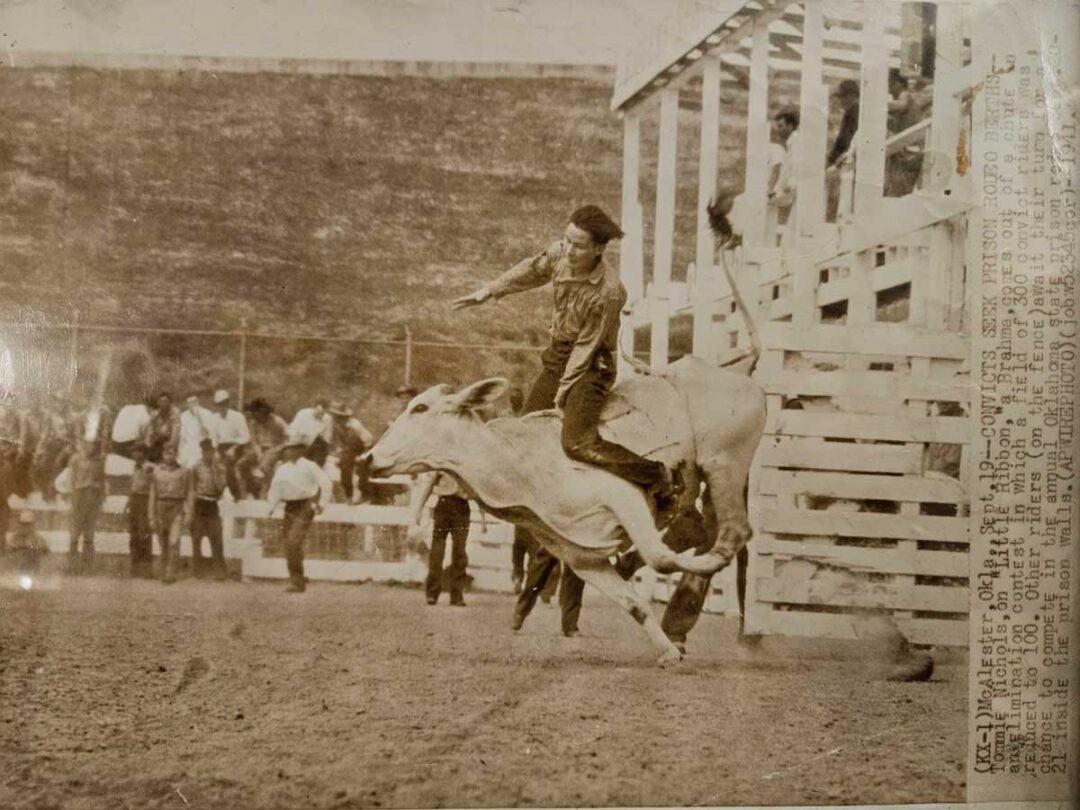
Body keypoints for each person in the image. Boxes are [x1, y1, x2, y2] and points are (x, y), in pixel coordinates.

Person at [453, 205, 679, 635]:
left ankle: (655, 474)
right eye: (567, 240)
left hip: (592, 365)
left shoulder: (611, 292)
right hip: (557, 354)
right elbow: (533, 269)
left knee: (575, 440)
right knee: (521, 433)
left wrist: (561, 393)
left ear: (597, 249)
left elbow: (588, 347)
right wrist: (490, 291)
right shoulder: (561, 253)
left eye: (578, 245)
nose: (569, 250)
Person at [266, 433, 332, 593]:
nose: (288, 452)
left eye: (292, 449)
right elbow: (275, 489)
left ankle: (296, 581)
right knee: (290, 544)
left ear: (300, 451)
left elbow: (326, 483)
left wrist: (322, 503)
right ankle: (297, 577)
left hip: (305, 505)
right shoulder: (282, 469)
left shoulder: (309, 466)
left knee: (294, 541)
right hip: (289, 507)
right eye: (287, 449)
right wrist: (271, 506)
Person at [411, 472, 472, 607]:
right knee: (437, 550)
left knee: (460, 551)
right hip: (444, 505)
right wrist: (419, 508)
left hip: (462, 507)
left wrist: (484, 518)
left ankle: (457, 596)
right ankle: (432, 593)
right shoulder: (442, 460)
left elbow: (478, 490)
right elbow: (430, 483)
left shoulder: (467, 462)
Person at [149, 445, 192, 584]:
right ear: (163, 454)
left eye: (172, 453)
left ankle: (171, 572)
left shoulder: (184, 472)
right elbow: (152, 495)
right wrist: (151, 515)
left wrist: (189, 512)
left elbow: (190, 492)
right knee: (163, 541)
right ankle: (164, 571)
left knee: (174, 541)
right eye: (167, 453)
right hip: (161, 507)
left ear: (176, 454)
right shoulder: (157, 472)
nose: (169, 456)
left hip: (177, 507)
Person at [189, 438, 228, 580]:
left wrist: (214, 471)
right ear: (202, 452)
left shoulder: (220, 468)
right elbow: (192, 486)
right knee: (196, 537)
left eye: (210, 452)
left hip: (212, 504)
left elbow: (221, 486)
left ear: (214, 452)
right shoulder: (195, 467)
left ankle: (220, 572)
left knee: (216, 538)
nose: (208, 454)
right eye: (205, 452)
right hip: (199, 504)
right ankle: (197, 572)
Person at [67, 438, 106, 575]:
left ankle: (87, 567)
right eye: (87, 443)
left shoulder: (99, 460)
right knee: (75, 531)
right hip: (79, 496)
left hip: (93, 496)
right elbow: (72, 480)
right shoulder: (75, 459)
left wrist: (100, 499)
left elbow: (102, 480)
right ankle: (72, 566)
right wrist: (73, 498)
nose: (90, 446)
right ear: (83, 443)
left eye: (93, 443)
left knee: (89, 533)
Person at [240, 397, 289, 499]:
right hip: (259, 449)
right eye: (252, 413)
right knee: (242, 463)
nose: (254, 416)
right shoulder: (253, 423)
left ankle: (266, 491)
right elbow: (253, 440)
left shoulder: (277, 421)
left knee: (265, 465)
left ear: (263, 412)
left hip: (275, 448)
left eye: (256, 413)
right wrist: (257, 451)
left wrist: (279, 448)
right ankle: (247, 492)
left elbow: (288, 438)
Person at [826, 79, 860, 222]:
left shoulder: (855, 111)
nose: (840, 102)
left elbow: (844, 139)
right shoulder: (851, 111)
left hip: (850, 161)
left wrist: (831, 160)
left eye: (842, 97)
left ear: (851, 95)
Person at [207, 389, 251, 500]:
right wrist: (216, 451)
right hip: (220, 447)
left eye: (223, 404)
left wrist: (234, 448)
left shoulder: (238, 417)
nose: (221, 407)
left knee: (231, 468)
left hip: (237, 447)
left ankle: (238, 495)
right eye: (218, 405)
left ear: (228, 403)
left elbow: (245, 437)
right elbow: (213, 437)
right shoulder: (214, 418)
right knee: (212, 466)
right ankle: (216, 495)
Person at [327, 400, 374, 503]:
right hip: (350, 452)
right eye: (334, 415)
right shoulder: (338, 426)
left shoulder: (355, 425)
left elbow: (369, 440)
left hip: (364, 450)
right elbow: (341, 442)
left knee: (362, 469)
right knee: (344, 470)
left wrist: (362, 455)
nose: (335, 418)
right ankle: (349, 495)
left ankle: (365, 495)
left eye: (338, 416)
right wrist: (340, 451)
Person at [124, 444, 155, 577]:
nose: (135, 455)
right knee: (134, 534)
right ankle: (135, 567)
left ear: (143, 454)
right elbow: (132, 487)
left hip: (145, 500)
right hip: (135, 501)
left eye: (137, 452)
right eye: (133, 452)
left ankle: (147, 569)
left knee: (145, 533)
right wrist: (128, 503)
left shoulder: (149, 468)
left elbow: (153, 486)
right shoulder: (133, 467)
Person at [289, 398, 333, 468]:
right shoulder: (303, 413)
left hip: (314, 446)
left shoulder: (328, 419)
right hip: (299, 443)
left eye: (323, 413)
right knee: (295, 463)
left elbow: (327, 439)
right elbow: (294, 431)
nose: (321, 415)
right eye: (319, 412)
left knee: (319, 460)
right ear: (314, 407)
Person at [178, 393, 214, 468]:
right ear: (187, 404)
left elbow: (207, 434)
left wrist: (198, 417)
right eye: (190, 402)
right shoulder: (184, 416)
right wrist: (180, 450)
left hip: (202, 445)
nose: (193, 404)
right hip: (188, 445)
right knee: (184, 465)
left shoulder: (207, 413)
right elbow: (183, 436)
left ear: (198, 402)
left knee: (194, 464)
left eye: (195, 401)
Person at [7, 510, 49, 576]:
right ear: (20, 524)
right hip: (17, 571)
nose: (26, 527)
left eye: (28, 524)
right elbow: (9, 551)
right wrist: (20, 546)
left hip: (34, 571)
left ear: (32, 525)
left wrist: (32, 547)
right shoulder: (15, 539)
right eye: (24, 524)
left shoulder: (38, 538)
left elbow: (44, 550)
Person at [145, 392, 181, 462]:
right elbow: (150, 429)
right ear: (158, 403)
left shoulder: (175, 413)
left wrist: (170, 444)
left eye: (165, 401)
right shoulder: (156, 414)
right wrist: (148, 442)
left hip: (171, 440)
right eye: (161, 401)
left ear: (170, 402)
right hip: (159, 440)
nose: (163, 403)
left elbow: (175, 432)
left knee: (168, 458)